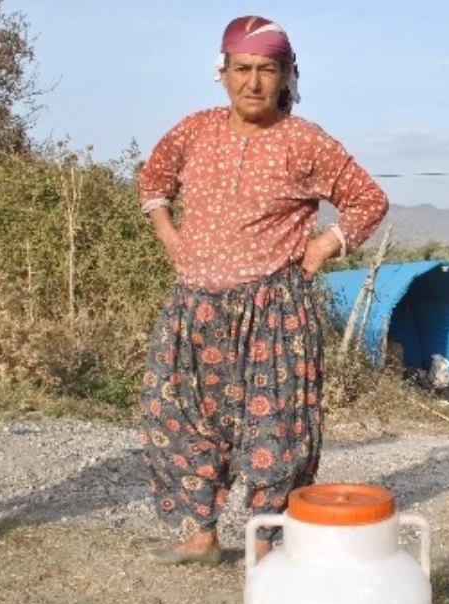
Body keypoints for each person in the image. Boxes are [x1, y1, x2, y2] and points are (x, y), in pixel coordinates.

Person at [136, 15, 389, 565]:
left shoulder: (305, 141)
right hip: (193, 306)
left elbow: (368, 199)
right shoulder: (194, 131)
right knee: (174, 414)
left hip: (274, 309)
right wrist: (171, 237)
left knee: (278, 430)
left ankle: (267, 543)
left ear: (286, 76)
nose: (253, 82)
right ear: (222, 73)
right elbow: (153, 180)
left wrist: (323, 247)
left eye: (267, 70)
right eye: (242, 69)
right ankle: (201, 535)